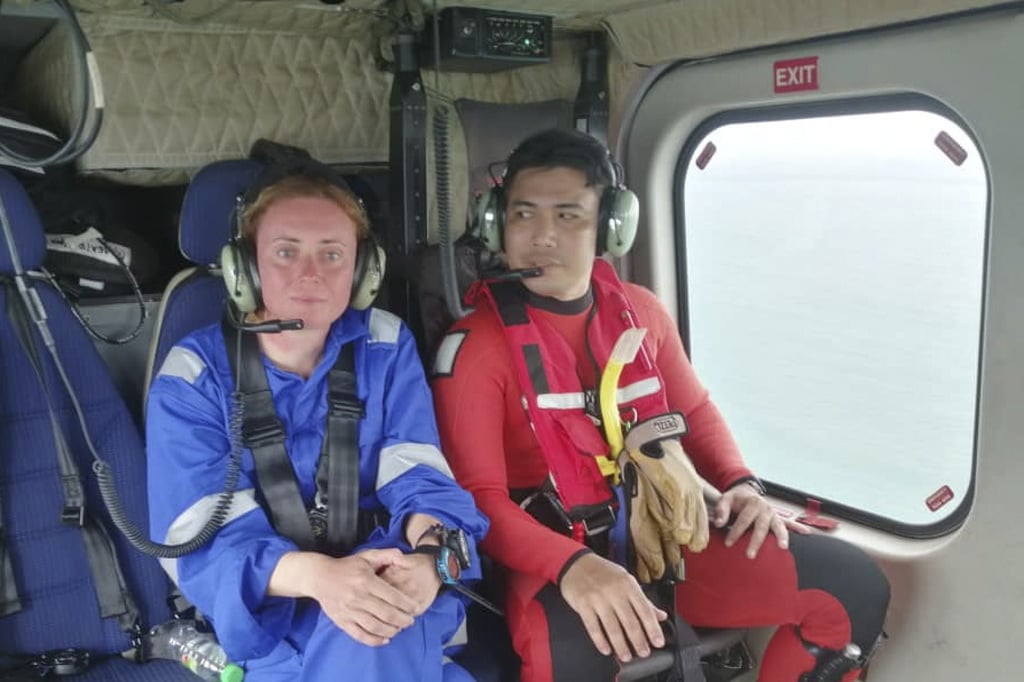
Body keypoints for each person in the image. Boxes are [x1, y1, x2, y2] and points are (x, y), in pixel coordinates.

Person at [430, 128, 890, 682]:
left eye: (569, 215)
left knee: (851, 588)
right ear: (496, 222)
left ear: (609, 227)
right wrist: (575, 567)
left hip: (666, 532)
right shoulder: (474, 350)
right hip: (549, 559)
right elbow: (477, 502)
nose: (542, 236)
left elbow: (693, 415)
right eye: (524, 215)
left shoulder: (642, 314)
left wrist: (742, 484)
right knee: (572, 660)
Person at [147, 154, 489, 682]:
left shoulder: (385, 344)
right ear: (247, 267)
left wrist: (430, 558)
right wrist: (323, 579)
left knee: (379, 637)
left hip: (390, 591)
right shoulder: (195, 375)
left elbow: (420, 475)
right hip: (274, 617)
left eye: (332, 254)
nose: (310, 274)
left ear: (363, 270)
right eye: (286, 252)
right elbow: (200, 541)